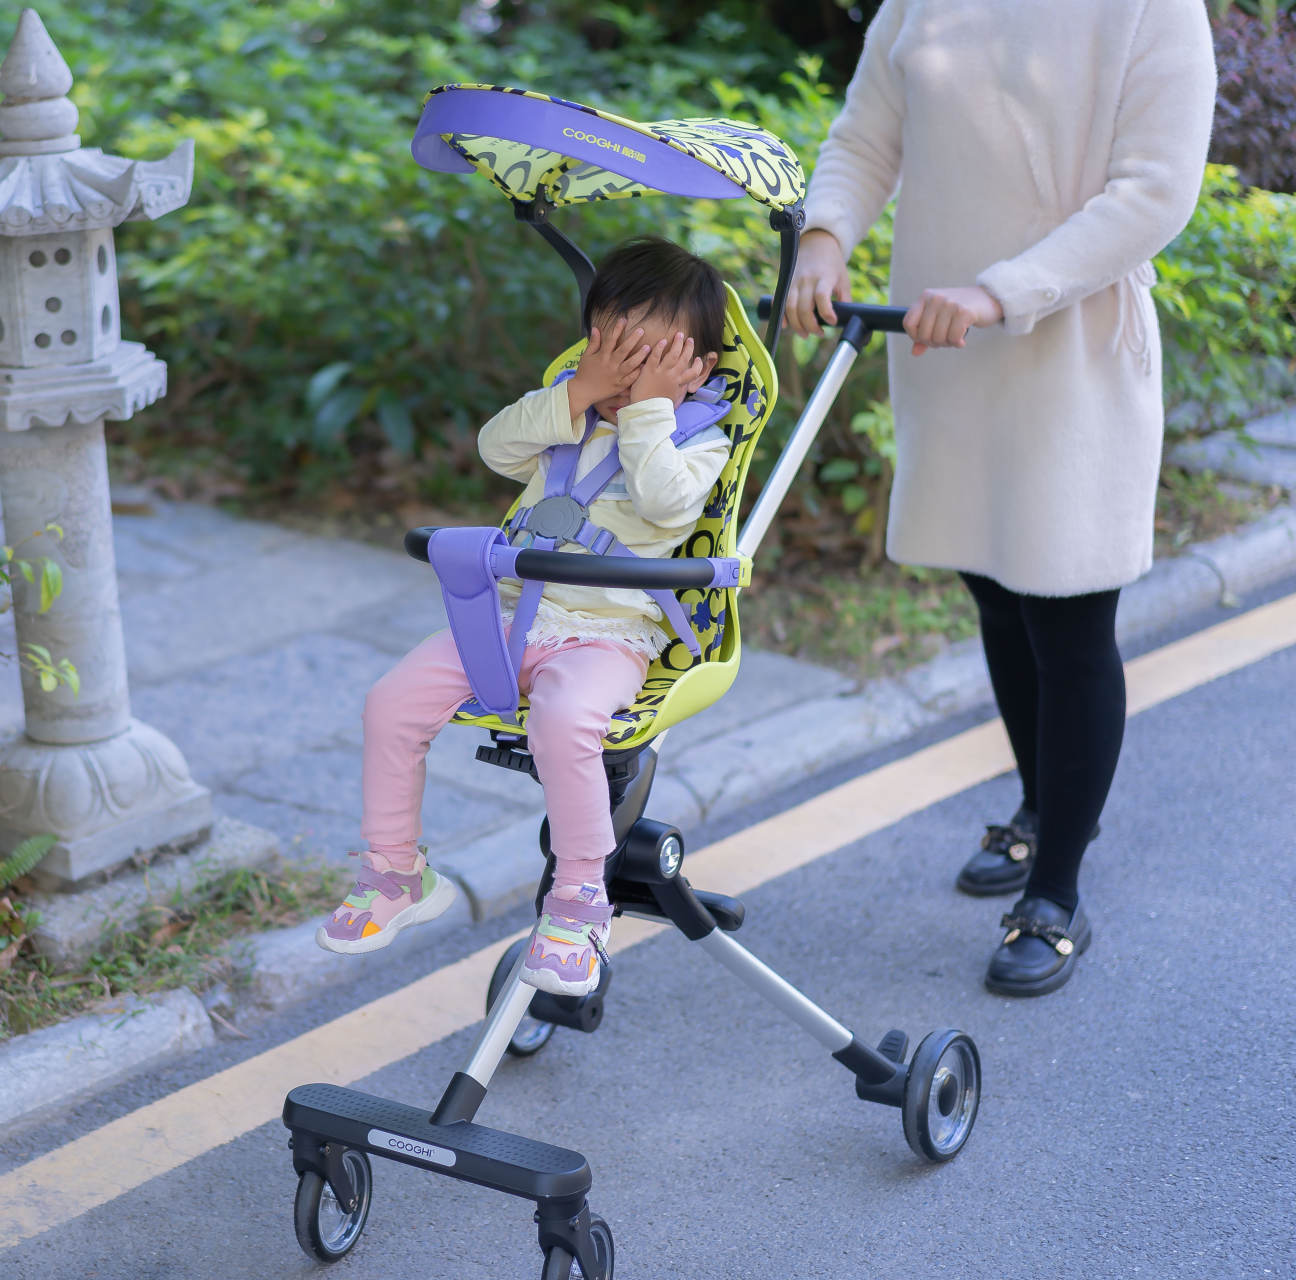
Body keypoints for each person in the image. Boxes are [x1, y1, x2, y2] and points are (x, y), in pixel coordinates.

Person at [783, 0, 1217, 995]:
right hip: (946, 346)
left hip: (1068, 352)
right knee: (995, 586)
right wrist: (824, 235)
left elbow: (1155, 193)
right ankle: (1035, 808)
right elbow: (867, 132)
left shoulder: (1152, 9)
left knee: (1068, 612)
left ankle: (1057, 891)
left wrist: (1003, 289)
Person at [315, 237, 733, 997]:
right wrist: (579, 392)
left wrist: (645, 414)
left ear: (695, 371)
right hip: (508, 621)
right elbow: (494, 447)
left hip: (609, 633)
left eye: (650, 363)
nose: (624, 378)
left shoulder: (696, 439)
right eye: (612, 350)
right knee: (390, 704)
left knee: (566, 719)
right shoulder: (565, 412)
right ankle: (395, 871)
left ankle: (579, 901)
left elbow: (666, 504)